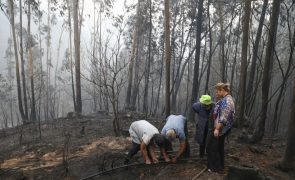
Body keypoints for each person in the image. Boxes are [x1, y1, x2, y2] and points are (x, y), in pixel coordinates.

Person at [206, 82, 235, 172]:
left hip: (220, 128)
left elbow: (224, 117)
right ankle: (219, 166)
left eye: (217, 92)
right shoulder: (224, 99)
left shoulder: (228, 101)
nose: (216, 94)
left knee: (212, 147)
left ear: (222, 90)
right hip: (218, 127)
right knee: (218, 147)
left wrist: (217, 129)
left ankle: (215, 167)